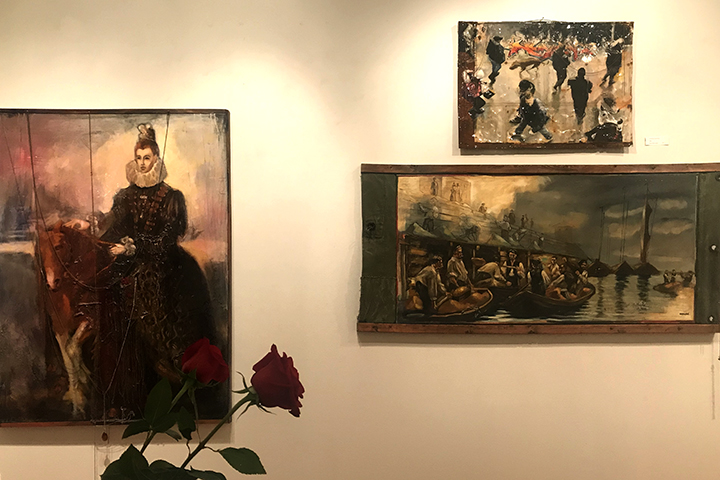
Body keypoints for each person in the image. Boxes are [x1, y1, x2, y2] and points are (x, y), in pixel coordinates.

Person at [97, 123, 214, 418]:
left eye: (146, 158)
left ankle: (171, 372)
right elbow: (115, 228)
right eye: (138, 158)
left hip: (164, 263)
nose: (142, 163)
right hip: (131, 261)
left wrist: (134, 247)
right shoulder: (124, 197)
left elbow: (167, 238)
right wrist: (99, 230)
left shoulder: (172, 197)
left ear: (156, 159)